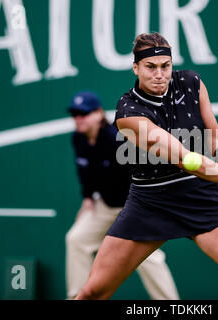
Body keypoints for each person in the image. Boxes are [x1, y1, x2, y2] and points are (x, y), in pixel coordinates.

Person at [76, 32, 218, 300]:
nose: (159, 74)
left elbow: (215, 138)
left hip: (201, 197)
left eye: (165, 66)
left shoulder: (192, 83)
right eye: (150, 67)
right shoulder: (128, 112)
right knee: (92, 292)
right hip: (150, 203)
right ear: (136, 68)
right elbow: (185, 159)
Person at [65, 90, 180, 300]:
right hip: (106, 206)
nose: (78, 119)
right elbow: (85, 171)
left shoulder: (117, 139)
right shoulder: (78, 139)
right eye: (75, 114)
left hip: (135, 206)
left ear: (99, 114)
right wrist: (88, 198)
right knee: (76, 239)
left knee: (148, 257)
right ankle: (77, 297)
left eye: (84, 113)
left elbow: (146, 170)